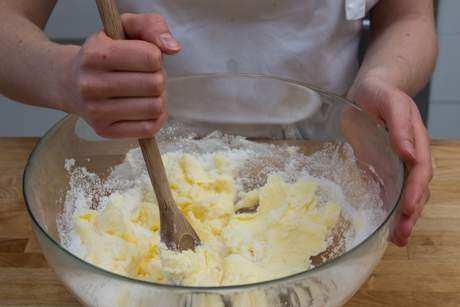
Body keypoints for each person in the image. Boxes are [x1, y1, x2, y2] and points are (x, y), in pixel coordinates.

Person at [0, 0, 437, 247]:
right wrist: (64, 76)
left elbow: (407, 15)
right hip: (132, 161)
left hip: (328, 154)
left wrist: (381, 79)